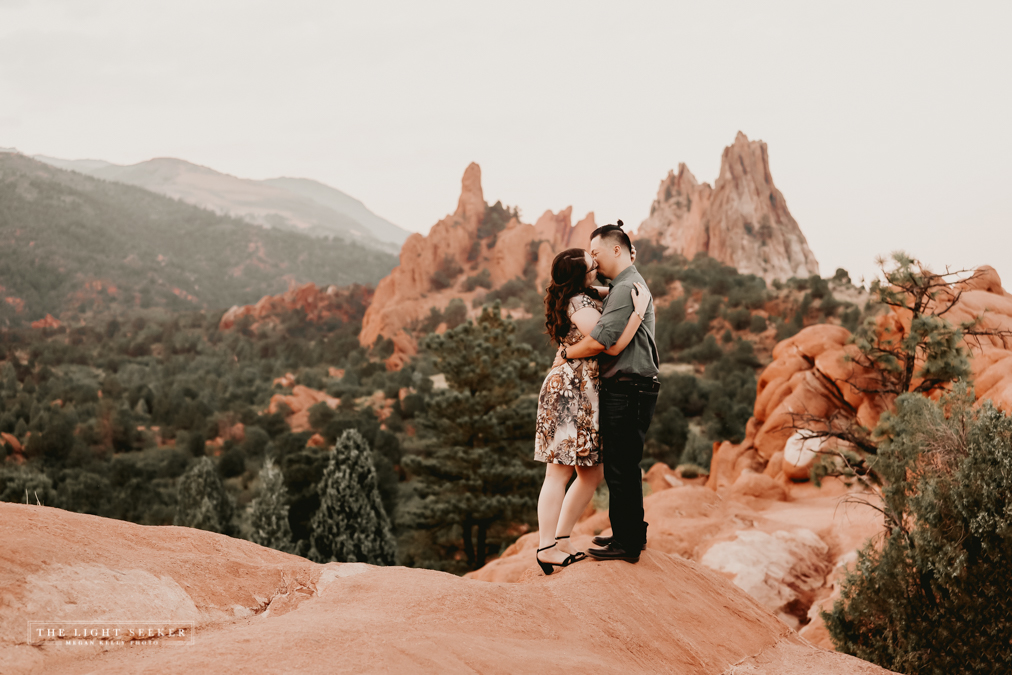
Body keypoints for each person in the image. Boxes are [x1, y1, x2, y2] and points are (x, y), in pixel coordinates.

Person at [534, 246, 650, 575]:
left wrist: (628, 263)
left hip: (583, 392)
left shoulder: (582, 294)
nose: (596, 263)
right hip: (569, 391)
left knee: (591, 473)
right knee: (558, 472)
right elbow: (606, 344)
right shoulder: (578, 303)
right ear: (581, 276)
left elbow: (611, 289)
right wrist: (638, 314)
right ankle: (546, 547)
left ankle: (562, 538)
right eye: (590, 264)